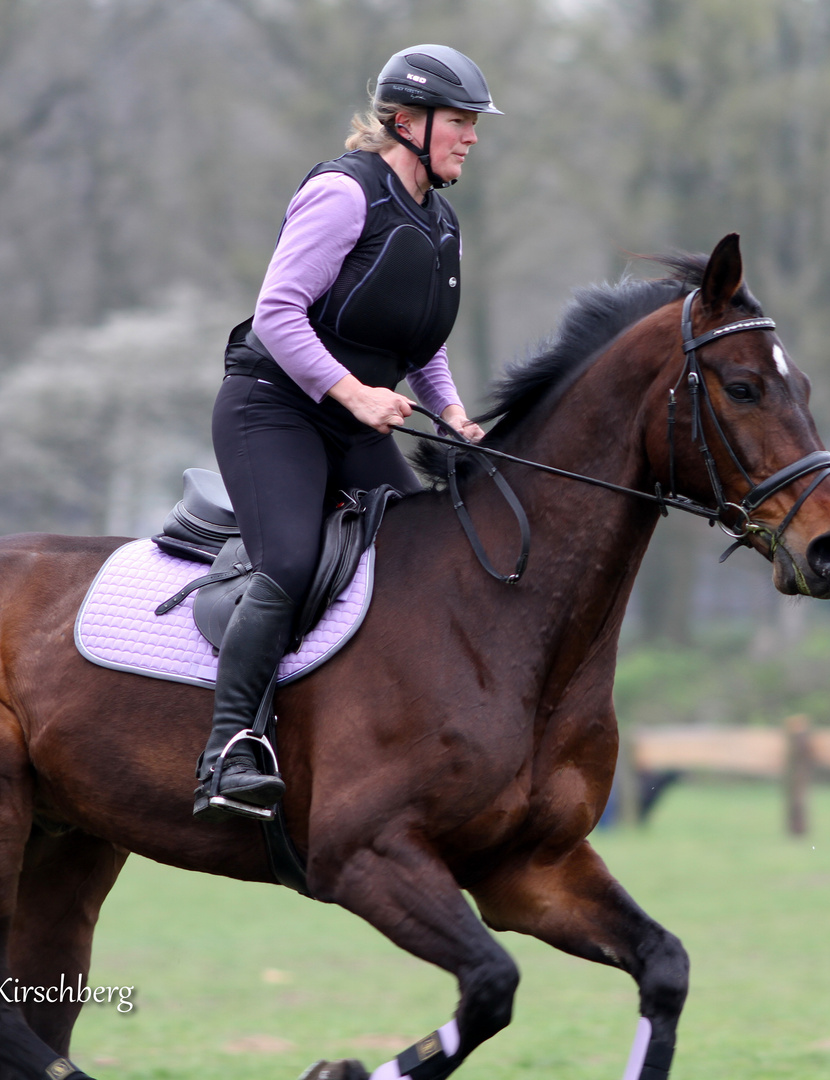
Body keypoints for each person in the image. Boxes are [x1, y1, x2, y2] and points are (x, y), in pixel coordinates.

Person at [194, 45, 499, 821]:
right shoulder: (343, 193)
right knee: (290, 562)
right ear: (407, 121)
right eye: (460, 123)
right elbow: (278, 314)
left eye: (473, 126)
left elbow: (421, 344)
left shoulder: (441, 220)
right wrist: (354, 393)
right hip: (273, 409)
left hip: (353, 420)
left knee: (425, 554)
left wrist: (455, 413)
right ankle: (228, 751)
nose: (471, 138)